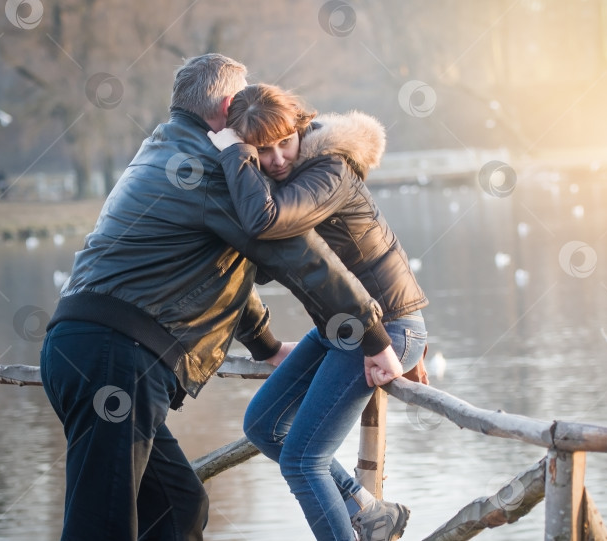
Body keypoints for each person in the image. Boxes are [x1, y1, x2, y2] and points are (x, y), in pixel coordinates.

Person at [39, 54, 402, 541]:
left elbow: (211, 273)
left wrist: (268, 347)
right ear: (231, 104)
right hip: (116, 357)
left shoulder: (164, 146)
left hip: (85, 348)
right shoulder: (211, 168)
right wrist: (374, 337)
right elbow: (301, 259)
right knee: (100, 528)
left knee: (179, 506)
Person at [208, 83, 429, 541]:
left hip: (383, 330)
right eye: (261, 151)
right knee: (264, 426)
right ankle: (367, 511)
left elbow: (265, 222)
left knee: (303, 460)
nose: (276, 159)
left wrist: (234, 155)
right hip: (342, 330)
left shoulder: (327, 170)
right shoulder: (279, 183)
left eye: (282, 143)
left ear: (301, 128)